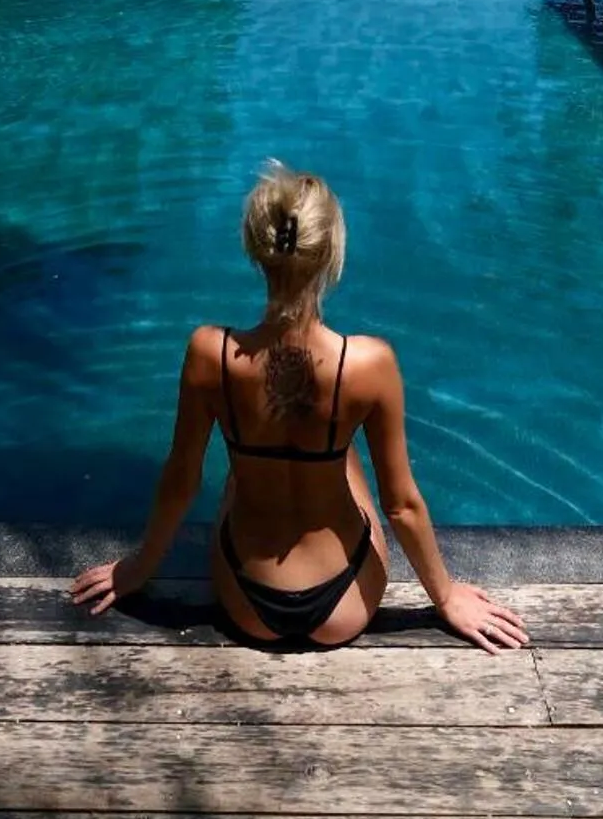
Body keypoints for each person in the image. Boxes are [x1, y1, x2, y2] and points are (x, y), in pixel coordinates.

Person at [71, 163, 528, 652]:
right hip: (345, 599)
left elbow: (181, 478)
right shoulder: (369, 363)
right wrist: (446, 595)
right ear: (331, 253)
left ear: (255, 248)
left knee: (241, 463)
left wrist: (138, 568)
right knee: (342, 451)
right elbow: (401, 504)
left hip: (246, 599)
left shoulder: (210, 354)